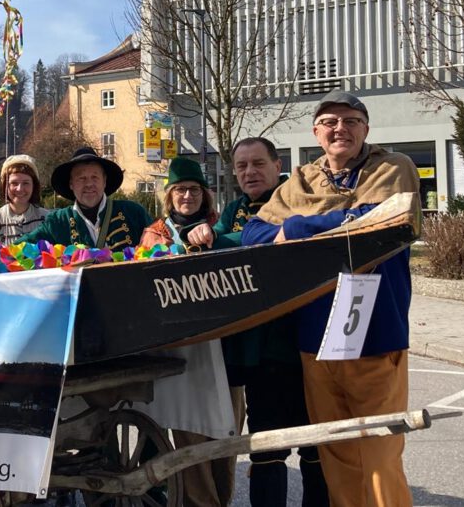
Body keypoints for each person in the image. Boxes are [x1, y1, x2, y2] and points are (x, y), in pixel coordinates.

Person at [242, 90, 420, 507]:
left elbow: (378, 221)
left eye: (350, 121)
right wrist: (328, 226)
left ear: (366, 129)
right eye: (330, 122)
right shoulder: (302, 180)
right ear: (316, 132)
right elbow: (254, 234)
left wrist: (296, 230)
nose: (340, 129)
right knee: (335, 453)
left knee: (378, 453)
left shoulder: (393, 167)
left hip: (375, 332)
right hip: (317, 338)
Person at [219, 138, 328, 507]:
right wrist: (203, 235)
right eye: (241, 166)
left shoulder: (298, 197)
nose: (249, 172)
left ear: (276, 164)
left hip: (304, 342)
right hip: (259, 350)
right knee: (266, 445)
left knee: (315, 443)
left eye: (257, 164)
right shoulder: (232, 210)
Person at [139, 157, 238, 507]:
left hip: (225, 346)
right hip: (181, 348)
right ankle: (199, 502)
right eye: (180, 189)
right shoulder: (155, 234)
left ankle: (221, 497)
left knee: (226, 428)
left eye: (194, 189)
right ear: (170, 195)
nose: (187, 196)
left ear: (204, 195)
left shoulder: (220, 226)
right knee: (189, 428)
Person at [18, 147, 150, 248]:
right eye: (81, 178)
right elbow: (19, 249)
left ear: (104, 181)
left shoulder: (134, 213)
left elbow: (161, 250)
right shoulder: (58, 222)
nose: (89, 184)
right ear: (71, 184)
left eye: (95, 177)